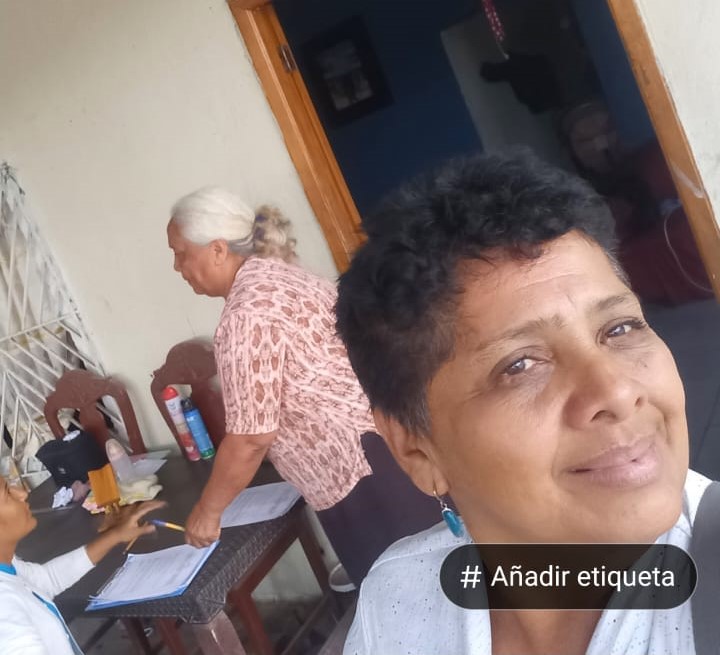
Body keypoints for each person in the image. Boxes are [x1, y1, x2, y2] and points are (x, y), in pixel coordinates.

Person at [335, 151, 711, 654]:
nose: (618, 393)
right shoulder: (398, 603)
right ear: (416, 450)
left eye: (620, 328)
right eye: (521, 365)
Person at [166, 186, 436, 585]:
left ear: (218, 249)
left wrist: (208, 511)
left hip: (361, 475)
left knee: (413, 596)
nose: (177, 266)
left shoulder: (246, 316)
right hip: (391, 443)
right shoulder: (281, 276)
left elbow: (251, 437)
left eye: (181, 253)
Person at [0, 474, 163, 655]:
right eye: (7, 493)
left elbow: (47, 579)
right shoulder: (5, 610)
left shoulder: (8, 564)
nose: (22, 493)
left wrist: (115, 535)